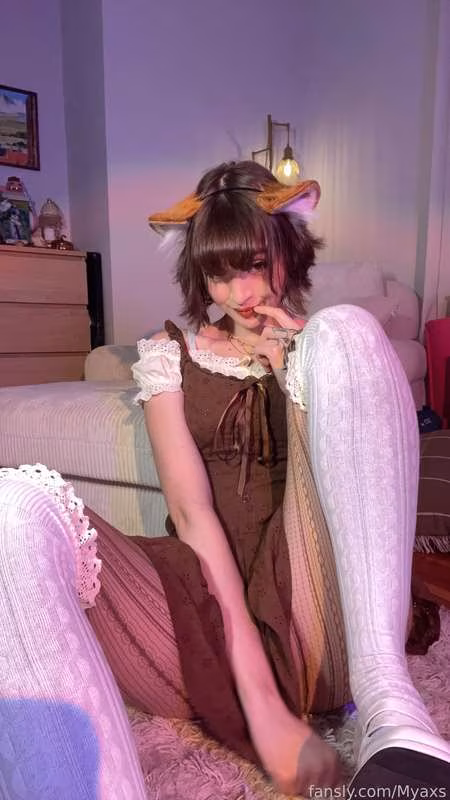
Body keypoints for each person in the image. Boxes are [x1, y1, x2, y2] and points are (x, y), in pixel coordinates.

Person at [0, 161, 449, 798]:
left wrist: (294, 376)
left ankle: (393, 711)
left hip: (315, 609)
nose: (240, 292)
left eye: (256, 265)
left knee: (346, 329)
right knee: (13, 504)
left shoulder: (331, 351)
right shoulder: (170, 353)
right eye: (219, 272)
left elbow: (345, 501)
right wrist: (258, 703)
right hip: (203, 608)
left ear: (289, 249)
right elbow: (192, 515)